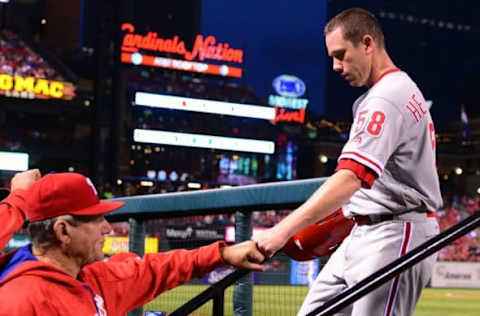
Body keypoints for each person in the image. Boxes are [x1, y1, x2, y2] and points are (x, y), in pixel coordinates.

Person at [253, 8, 441, 316]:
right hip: (367, 228)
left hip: (396, 232)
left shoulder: (386, 97)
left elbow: (352, 176)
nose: (336, 66)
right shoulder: (387, 92)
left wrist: (282, 230)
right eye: (331, 58)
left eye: (341, 55)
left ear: (367, 44)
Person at [0, 171, 265, 315]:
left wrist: (223, 254)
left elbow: (155, 268)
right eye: (96, 219)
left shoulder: (93, 277)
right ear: (63, 232)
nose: (107, 228)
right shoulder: (21, 301)